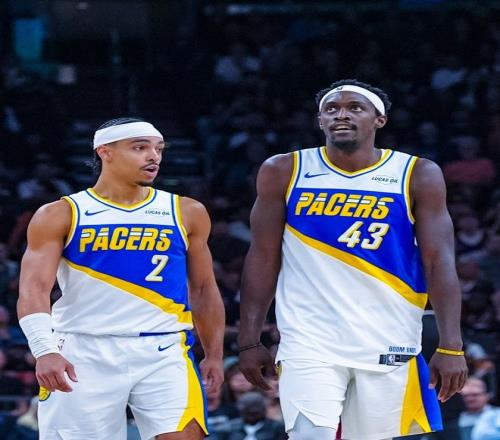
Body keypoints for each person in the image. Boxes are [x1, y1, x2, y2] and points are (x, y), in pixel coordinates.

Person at [238, 79, 468, 440]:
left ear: (379, 119)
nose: (341, 115)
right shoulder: (284, 170)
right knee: (309, 436)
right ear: (320, 120)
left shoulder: (416, 173)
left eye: (355, 107)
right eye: (331, 109)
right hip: (309, 339)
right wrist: (249, 340)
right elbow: (262, 258)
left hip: (389, 336)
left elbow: (439, 262)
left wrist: (451, 344)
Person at [17, 117, 225, 439]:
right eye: (140, 148)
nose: (153, 156)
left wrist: (214, 354)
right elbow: (34, 289)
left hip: (164, 348)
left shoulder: (187, 211)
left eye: (159, 149)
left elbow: (203, 288)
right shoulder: (62, 213)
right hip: (84, 348)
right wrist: (44, 350)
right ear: (105, 152)